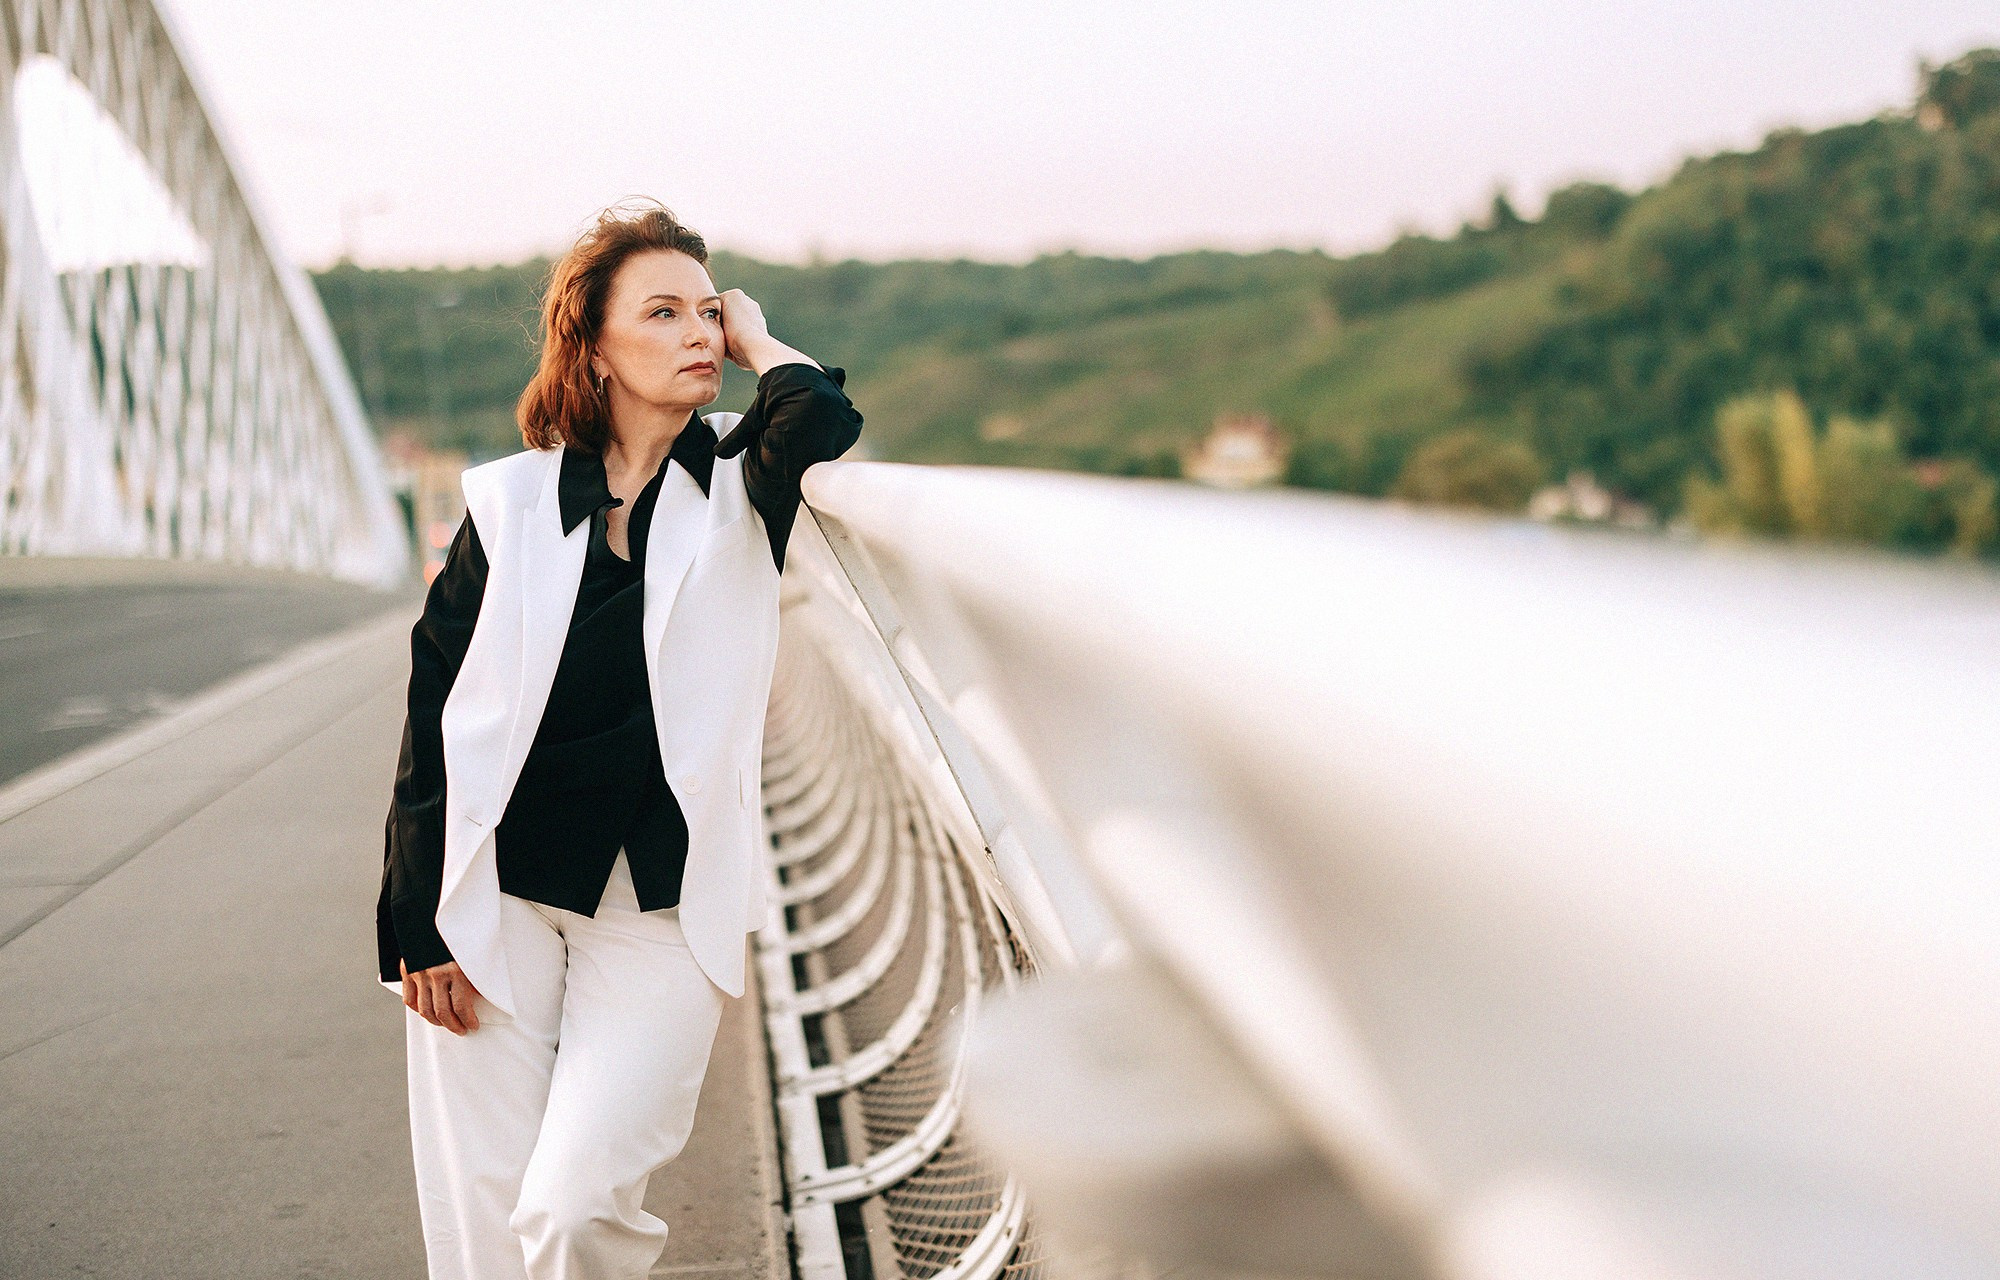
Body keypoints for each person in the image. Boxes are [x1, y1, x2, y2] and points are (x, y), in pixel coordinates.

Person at [373, 198, 863, 1280]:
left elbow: (822, 415)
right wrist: (416, 919)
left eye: (707, 311)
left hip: (660, 906)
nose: (698, 333)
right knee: (490, 1220)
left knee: (578, 1208)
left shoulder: (741, 484)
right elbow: (435, 708)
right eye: (663, 312)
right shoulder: (508, 503)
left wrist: (756, 337)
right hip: (496, 892)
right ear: (592, 347)